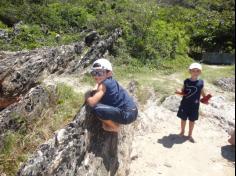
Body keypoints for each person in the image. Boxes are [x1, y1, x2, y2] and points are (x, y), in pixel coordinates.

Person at [86, 59, 138, 132]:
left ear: (109, 73)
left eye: (100, 73)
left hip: (127, 115)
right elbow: (98, 86)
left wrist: (87, 94)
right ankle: (116, 122)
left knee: (97, 109)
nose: (96, 76)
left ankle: (114, 127)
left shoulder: (104, 84)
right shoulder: (110, 81)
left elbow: (92, 102)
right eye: (94, 73)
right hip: (133, 111)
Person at [176, 63, 211, 143]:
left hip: (195, 105)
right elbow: (183, 91)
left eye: (197, 71)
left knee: (192, 120)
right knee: (183, 119)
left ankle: (190, 135)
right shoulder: (186, 81)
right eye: (193, 70)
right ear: (190, 71)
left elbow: (202, 91)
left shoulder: (201, 82)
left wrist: (205, 99)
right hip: (185, 104)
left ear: (200, 72)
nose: (195, 72)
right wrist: (179, 91)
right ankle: (182, 132)